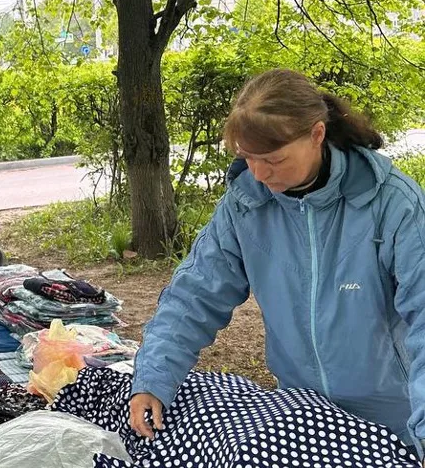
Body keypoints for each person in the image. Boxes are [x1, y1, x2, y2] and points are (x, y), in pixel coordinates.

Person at [128, 69, 425, 461]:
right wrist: (153, 377)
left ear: (316, 134)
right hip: (304, 416)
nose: (259, 173)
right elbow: (193, 295)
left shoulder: (393, 204)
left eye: (273, 159)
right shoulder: (245, 205)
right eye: (247, 158)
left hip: (395, 424)